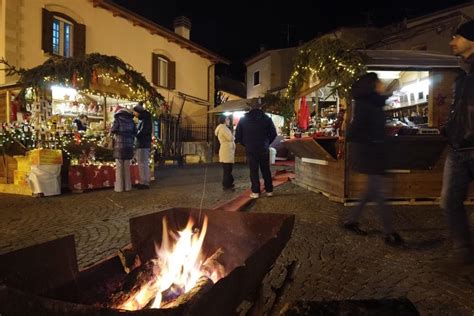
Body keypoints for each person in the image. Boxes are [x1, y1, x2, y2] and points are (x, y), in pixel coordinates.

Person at [344, 72, 404, 247]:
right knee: (380, 194)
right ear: (372, 85)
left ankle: (351, 221)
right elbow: (354, 131)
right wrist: (373, 140)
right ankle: (389, 233)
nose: (381, 84)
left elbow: (381, 102)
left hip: (375, 152)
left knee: (371, 190)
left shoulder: (373, 102)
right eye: (379, 82)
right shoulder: (365, 105)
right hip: (370, 154)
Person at [440, 20, 474, 264]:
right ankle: (462, 248)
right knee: (449, 201)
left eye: (457, 37)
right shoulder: (462, 76)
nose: (452, 42)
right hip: (458, 147)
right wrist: (449, 129)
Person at [235, 98, 277, 198]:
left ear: (250, 107)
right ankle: (269, 190)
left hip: (250, 148)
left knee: (253, 170)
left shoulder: (243, 119)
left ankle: (256, 192)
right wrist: (267, 142)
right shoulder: (267, 118)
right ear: (261, 107)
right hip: (263, 147)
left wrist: (246, 143)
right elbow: (273, 133)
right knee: (266, 169)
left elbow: (238, 136)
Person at [111, 106, 136, 192]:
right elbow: (135, 132)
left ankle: (119, 187)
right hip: (129, 145)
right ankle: (128, 187)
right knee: (126, 167)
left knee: (119, 167)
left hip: (119, 146)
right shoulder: (131, 121)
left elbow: (113, 130)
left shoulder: (118, 120)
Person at [133, 102, 152, 190]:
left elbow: (144, 131)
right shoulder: (145, 119)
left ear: (138, 112)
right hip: (144, 144)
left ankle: (144, 182)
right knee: (143, 163)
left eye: (135, 112)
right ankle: (144, 181)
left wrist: (136, 134)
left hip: (142, 144)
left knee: (142, 163)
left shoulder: (145, 120)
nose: (134, 114)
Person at [215, 115, 236, 190]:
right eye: (227, 119)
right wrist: (233, 134)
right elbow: (230, 138)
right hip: (226, 151)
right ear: (224, 120)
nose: (229, 120)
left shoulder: (223, 128)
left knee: (228, 168)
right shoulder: (223, 128)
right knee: (227, 168)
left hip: (226, 150)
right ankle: (226, 184)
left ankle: (229, 182)